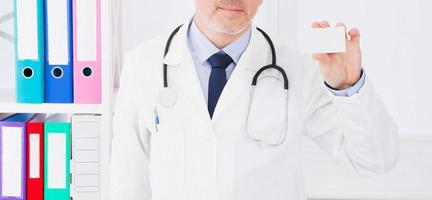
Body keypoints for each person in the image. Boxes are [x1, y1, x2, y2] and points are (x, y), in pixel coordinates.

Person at [110, 0, 399, 199]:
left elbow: (373, 160)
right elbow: (128, 185)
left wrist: (349, 86)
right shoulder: (142, 65)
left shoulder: (299, 70)